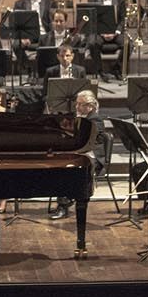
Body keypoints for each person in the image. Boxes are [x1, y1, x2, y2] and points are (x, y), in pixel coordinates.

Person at [50, 90, 105, 220]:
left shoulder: (96, 120)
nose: (76, 107)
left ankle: (64, 205)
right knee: (61, 164)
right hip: (82, 153)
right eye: (77, 104)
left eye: (80, 104)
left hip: (93, 157)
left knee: (68, 169)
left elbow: (85, 139)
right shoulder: (80, 117)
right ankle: (65, 200)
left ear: (90, 106)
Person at [85, 0, 126, 79]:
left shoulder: (120, 0)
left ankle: (116, 68)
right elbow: (91, 21)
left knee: (128, 44)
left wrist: (116, 32)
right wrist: (101, 32)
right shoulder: (92, 0)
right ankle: (100, 71)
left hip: (115, 32)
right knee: (92, 43)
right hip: (99, 32)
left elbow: (123, 19)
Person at [12, 0, 52, 68]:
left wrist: (50, 36)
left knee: (49, 44)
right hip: (28, 36)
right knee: (16, 45)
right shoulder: (20, 3)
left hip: (44, 35)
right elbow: (16, 24)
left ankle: (40, 70)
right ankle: (29, 68)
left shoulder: (50, 2)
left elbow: (51, 23)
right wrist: (22, 37)